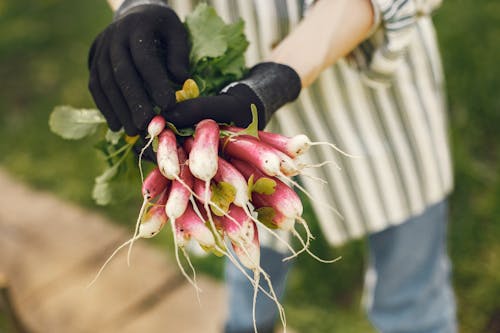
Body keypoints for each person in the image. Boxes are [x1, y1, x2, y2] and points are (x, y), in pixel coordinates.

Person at [88, 0, 457, 332]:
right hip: (212, 92)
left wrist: (278, 78)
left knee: (411, 289)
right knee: (246, 253)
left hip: (367, 86)